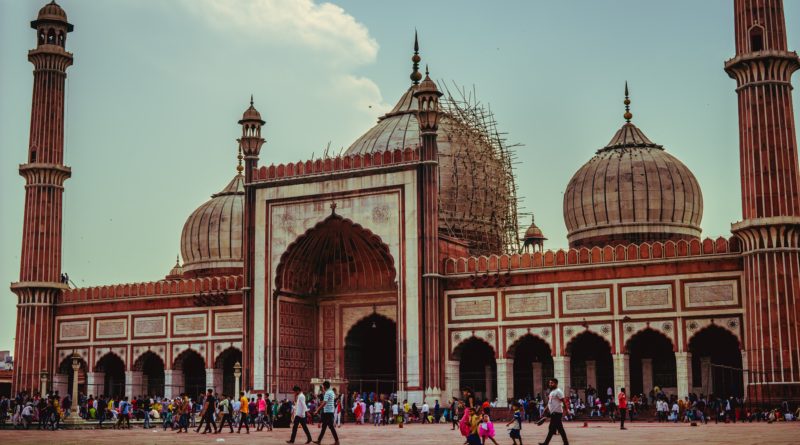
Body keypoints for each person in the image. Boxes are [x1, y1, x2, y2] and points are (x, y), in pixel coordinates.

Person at [539, 378, 569, 445]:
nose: (550, 384)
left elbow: (564, 401)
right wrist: (545, 409)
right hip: (553, 413)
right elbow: (550, 402)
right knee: (559, 429)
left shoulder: (558, 391)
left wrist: (567, 410)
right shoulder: (552, 392)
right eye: (550, 383)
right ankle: (566, 443)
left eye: (552, 383)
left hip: (557, 413)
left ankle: (546, 443)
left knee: (552, 428)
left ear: (556, 383)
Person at [312, 381, 339, 445]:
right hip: (329, 411)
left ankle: (337, 441)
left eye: (323, 386)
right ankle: (319, 440)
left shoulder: (327, 393)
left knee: (331, 427)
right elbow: (327, 401)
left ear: (324, 386)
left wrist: (317, 410)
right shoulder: (331, 392)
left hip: (328, 412)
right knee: (324, 427)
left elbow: (324, 403)